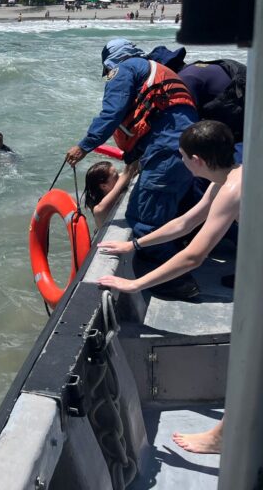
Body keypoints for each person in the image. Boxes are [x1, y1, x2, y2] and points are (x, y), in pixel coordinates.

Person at [97, 120, 241, 452]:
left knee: (250, 355)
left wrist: (135, 284)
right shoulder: (228, 179)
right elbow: (185, 222)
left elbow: (193, 256)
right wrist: (134, 245)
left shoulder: (231, 190)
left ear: (197, 160)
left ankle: (222, 436)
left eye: (183, 157)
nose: (182, 162)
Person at [65, 38, 199, 298]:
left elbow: (112, 113)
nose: (108, 74)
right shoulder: (155, 68)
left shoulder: (123, 69)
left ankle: (177, 281)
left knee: (143, 218)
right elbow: (158, 116)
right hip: (186, 149)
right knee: (169, 210)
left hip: (167, 151)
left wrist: (83, 147)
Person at [84, 160, 139, 230]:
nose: (120, 176)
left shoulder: (113, 184)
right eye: (116, 176)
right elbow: (127, 173)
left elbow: (129, 171)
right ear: (104, 186)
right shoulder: (99, 210)